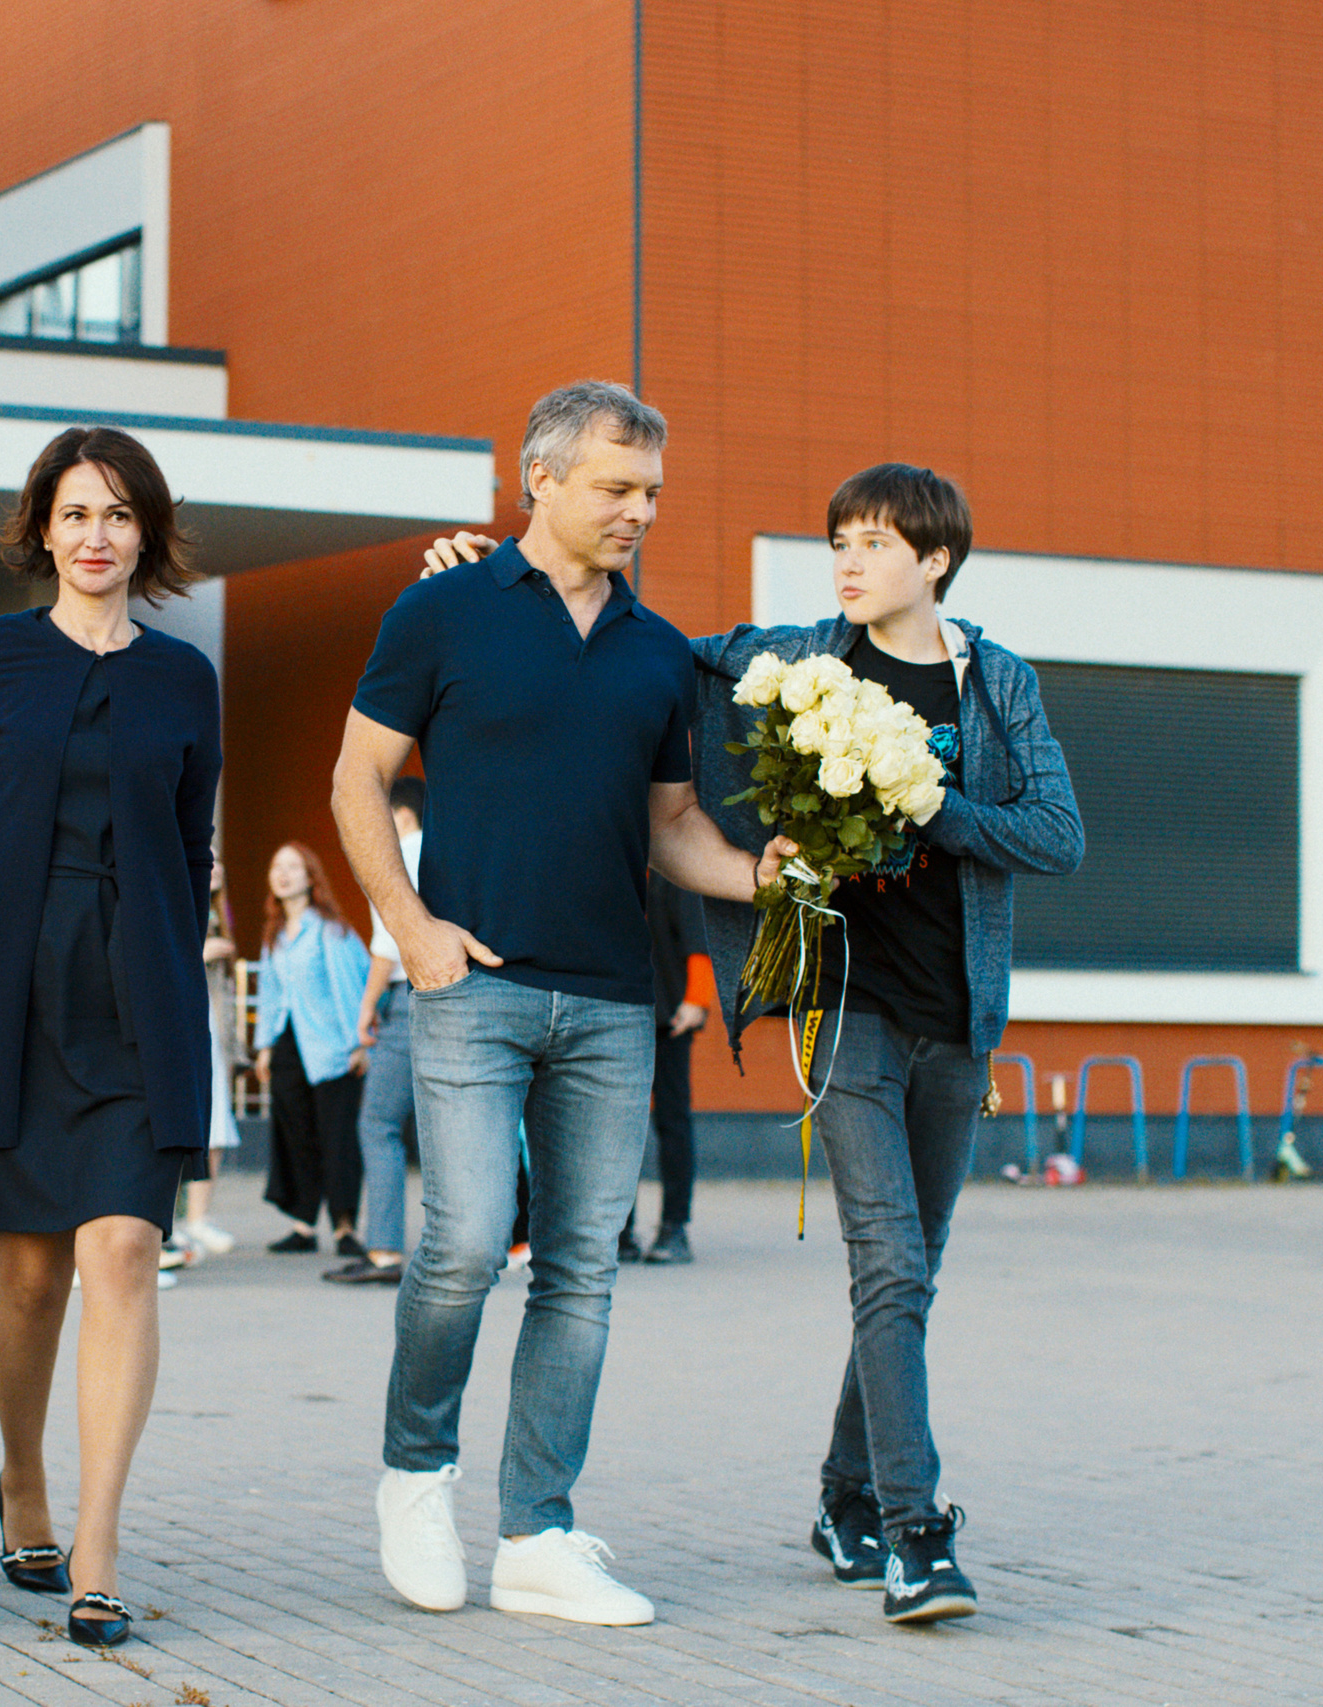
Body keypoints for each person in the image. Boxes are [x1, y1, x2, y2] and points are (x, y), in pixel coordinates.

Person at [333, 381, 792, 1628]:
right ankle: (416, 1476)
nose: (639, 511)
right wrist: (414, 930)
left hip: (609, 1005)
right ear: (538, 480)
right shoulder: (439, 612)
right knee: (466, 1241)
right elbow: (356, 780)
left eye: (651, 492)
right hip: (472, 988)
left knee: (581, 1271)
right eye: (615, 487)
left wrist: (765, 876)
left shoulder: (657, 652)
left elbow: (673, 830)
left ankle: (536, 1532)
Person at [691, 465, 1082, 1623]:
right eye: (838, 543)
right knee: (889, 1265)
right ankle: (917, 1533)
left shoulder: (993, 681)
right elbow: (650, 644)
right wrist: (500, 573)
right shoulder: (807, 655)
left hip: (956, 1021)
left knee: (911, 1277)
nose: (849, 563)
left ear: (935, 560)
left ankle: (840, 1498)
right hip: (846, 1007)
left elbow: (1056, 835)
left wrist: (934, 810)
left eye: (871, 543)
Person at [0, 425, 220, 1649]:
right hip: (1, 997)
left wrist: (180, 1007)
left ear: (148, 534)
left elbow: (188, 850)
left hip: (135, 1004)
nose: (96, 537)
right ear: (41, 529)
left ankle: (95, 1543)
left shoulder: (186, 678)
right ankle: (20, 1477)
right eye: (75, 514)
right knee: (28, 1274)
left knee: (123, 1250)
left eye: (118, 516)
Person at [328, 775, 426, 1284]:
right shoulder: (445, 852)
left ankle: (385, 1250)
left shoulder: (399, 852)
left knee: (379, 1124)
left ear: (399, 813)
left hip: (410, 999)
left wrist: (368, 1007)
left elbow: (390, 940)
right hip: (456, 997)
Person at [254, 841, 371, 1261]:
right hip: (287, 1047)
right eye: (276, 866)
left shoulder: (330, 930)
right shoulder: (275, 934)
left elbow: (351, 987)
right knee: (296, 1136)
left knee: (338, 1138)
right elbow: (270, 995)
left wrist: (358, 1043)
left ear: (310, 876)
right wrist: (265, 1047)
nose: (283, 873)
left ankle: (344, 1227)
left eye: (293, 866)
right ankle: (303, 1225)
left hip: (331, 1046)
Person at [622, 874, 715, 1266]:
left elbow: (699, 937)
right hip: (618, 1014)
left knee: (673, 1121)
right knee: (617, 1127)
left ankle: (674, 1227)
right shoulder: (614, 864)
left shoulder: (672, 871)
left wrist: (696, 999)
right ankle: (618, 1231)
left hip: (669, 1017)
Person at [177, 861, 243, 1257]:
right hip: (183, 1029)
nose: (216, 864)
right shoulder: (178, 905)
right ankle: (172, 1222)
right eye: (207, 856)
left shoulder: (220, 912)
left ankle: (198, 1219)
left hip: (213, 1031)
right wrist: (202, 953)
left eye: (221, 860)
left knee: (215, 1126)